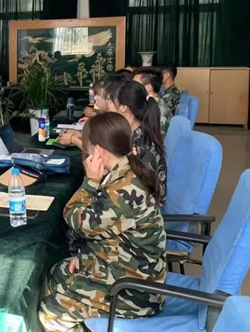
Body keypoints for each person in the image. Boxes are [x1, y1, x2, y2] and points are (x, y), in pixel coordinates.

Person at [39, 112, 166, 331]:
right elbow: (109, 233)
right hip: (124, 267)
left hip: (132, 292)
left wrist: (90, 182)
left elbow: (77, 221)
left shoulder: (122, 191)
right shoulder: (127, 169)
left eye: (87, 147)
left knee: (49, 314)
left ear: (98, 151)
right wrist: (85, 259)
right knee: (55, 272)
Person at [107, 80, 167, 203]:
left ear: (123, 107)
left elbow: (139, 197)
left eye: (111, 102)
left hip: (141, 209)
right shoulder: (135, 134)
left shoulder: (143, 148)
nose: (108, 107)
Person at [133, 67, 173, 138]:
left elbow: (153, 140)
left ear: (148, 87)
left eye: (135, 85)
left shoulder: (159, 110)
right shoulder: (151, 103)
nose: (131, 88)